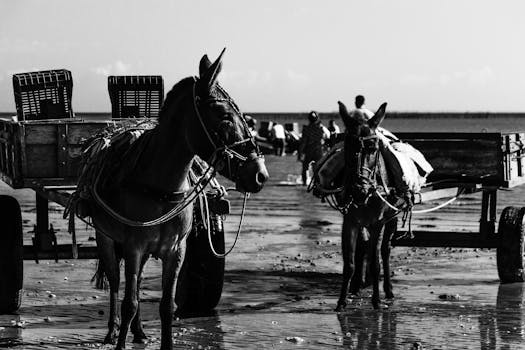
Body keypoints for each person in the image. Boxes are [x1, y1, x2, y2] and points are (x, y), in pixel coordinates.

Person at [298, 111, 329, 185]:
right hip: (319, 151)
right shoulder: (321, 128)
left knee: (305, 168)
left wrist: (300, 152)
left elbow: (303, 142)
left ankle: (304, 184)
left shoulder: (306, 129)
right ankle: (317, 184)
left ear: (309, 119)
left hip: (309, 151)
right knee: (317, 168)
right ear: (317, 118)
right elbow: (327, 136)